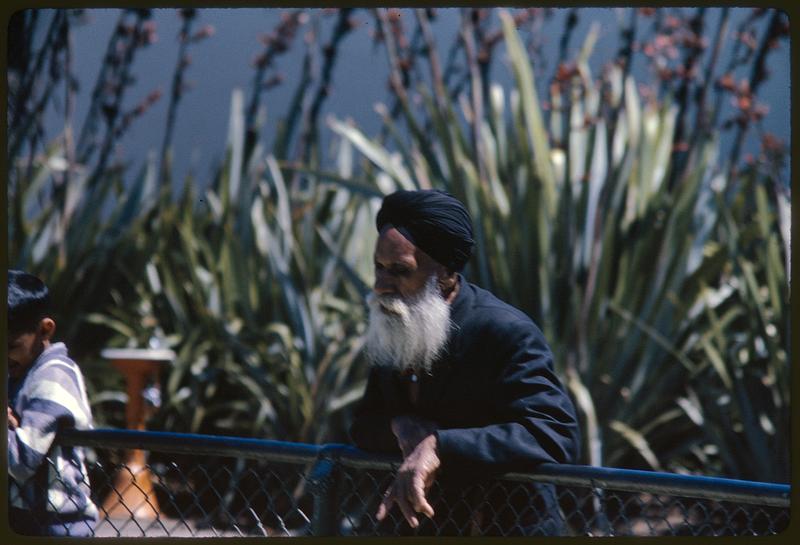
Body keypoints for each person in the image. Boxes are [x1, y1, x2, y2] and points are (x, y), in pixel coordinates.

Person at [349, 189, 580, 536]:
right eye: (378, 268)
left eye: (399, 270)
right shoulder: (395, 322)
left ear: (444, 272)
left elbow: (554, 432)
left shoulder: (503, 330)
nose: (382, 285)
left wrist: (441, 445)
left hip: (505, 526)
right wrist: (401, 426)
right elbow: (364, 424)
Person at [7, 270, 99, 536]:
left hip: (59, 524)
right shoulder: (20, 371)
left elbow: (20, 460)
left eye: (11, 346)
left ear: (44, 329)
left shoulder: (54, 376)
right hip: (23, 519)